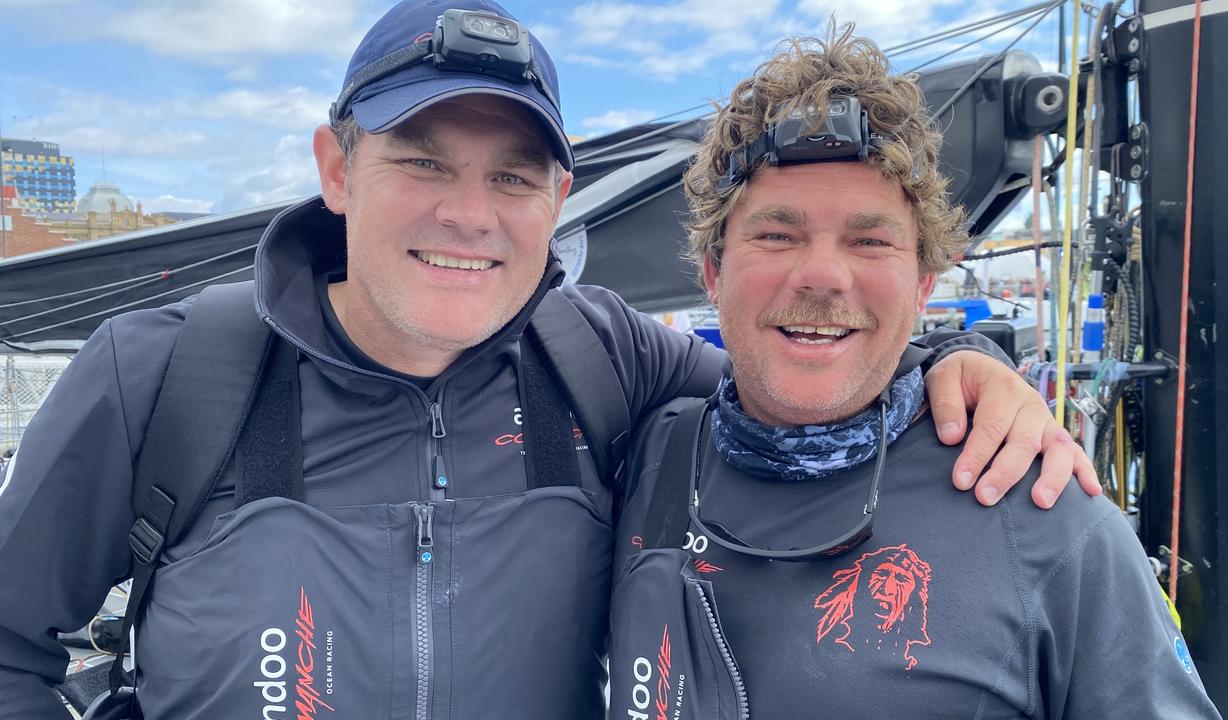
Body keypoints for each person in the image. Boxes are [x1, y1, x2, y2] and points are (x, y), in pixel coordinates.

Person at [0, 2, 1095, 718]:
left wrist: (956, 363)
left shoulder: (601, 359)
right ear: (336, 168)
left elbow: (801, 384)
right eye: (423, 162)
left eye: (513, 179)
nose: (469, 215)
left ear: (557, 200)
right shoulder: (166, 377)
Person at [610, 24, 1220, 720]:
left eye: (869, 240)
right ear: (713, 272)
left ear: (924, 283)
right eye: (777, 234)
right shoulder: (650, 455)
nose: (822, 276)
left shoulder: (1046, 514)